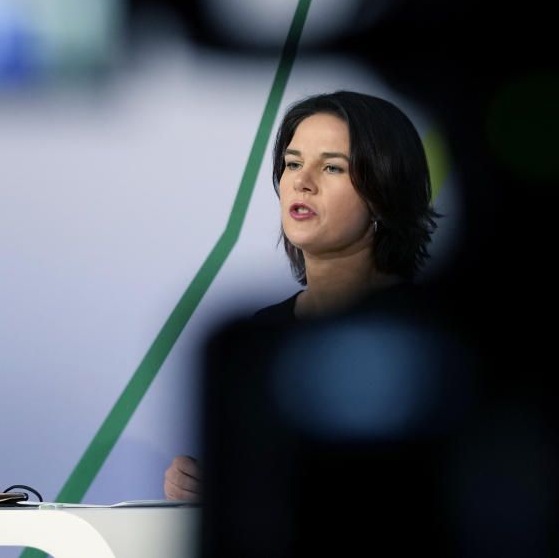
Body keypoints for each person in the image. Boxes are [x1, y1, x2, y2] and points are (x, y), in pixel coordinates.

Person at [163, 89, 438, 501]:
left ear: (384, 191)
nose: (302, 183)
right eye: (293, 164)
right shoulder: (261, 334)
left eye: (332, 168)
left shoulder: (431, 332)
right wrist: (207, 485)